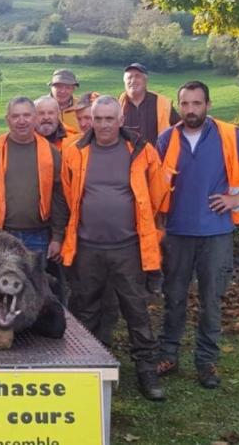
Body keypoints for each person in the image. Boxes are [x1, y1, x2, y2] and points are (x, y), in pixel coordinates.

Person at [156, 81, 239, 389]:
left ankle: (206, 362)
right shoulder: (166, 139)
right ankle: (168, 355)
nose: (190, 110)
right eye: (185, 104)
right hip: (176, 234)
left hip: (216, 234)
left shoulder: (229, 135)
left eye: (197, 103)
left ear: (208, 105)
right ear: (178, 106)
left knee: (211, 300)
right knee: (173, 298)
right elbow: (152, 184)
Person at [60, 96, 168, 401]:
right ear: (90, 121)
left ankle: (146, 371)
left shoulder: (143, 151)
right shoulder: (75, 151)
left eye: (110, 119)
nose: (104, 124)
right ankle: (84, 369)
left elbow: (158, 194)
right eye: (99, 119)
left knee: (136, 311)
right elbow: (69, 195)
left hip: (128, 248)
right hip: (87, 247)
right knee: (86, 308)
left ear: (121, 121)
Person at [0, 96, 68, 263]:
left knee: (33, 286)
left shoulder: (50, 152)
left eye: (27, 115)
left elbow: (59, 197)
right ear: (8, 120)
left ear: (35, 118)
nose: (22, 121)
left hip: (38, 236)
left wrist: (57, 238)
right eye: (15, 116)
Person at [119, 63, 181, 146]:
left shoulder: (163, 104)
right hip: (127, 158)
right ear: (124, 81)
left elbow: (180, 127)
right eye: (129, 77)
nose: (133, 81)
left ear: (146, 81)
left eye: (138, 76)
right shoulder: (117, 105)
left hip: (157, 157)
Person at [48, 68, 82, 134]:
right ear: (51, 87)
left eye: (68, 87)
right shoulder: (39, 107)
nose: (63, 91)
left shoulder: (82, 106)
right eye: (59, 87)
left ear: (74, 89)